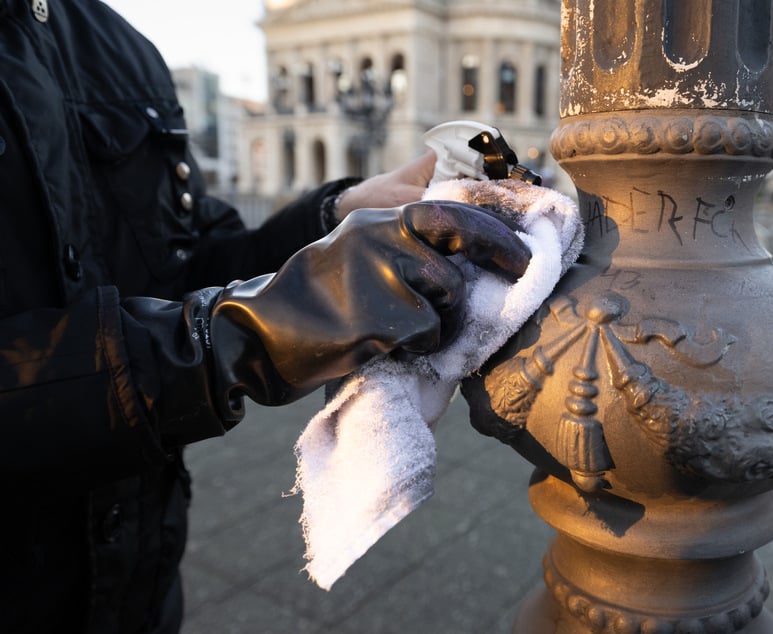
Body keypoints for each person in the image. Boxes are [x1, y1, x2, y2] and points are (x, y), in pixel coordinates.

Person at [0, 1, 530, 632]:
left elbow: (191, 262)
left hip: (141, 574)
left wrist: (336, 220)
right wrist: (243, 335)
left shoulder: (117, 47)